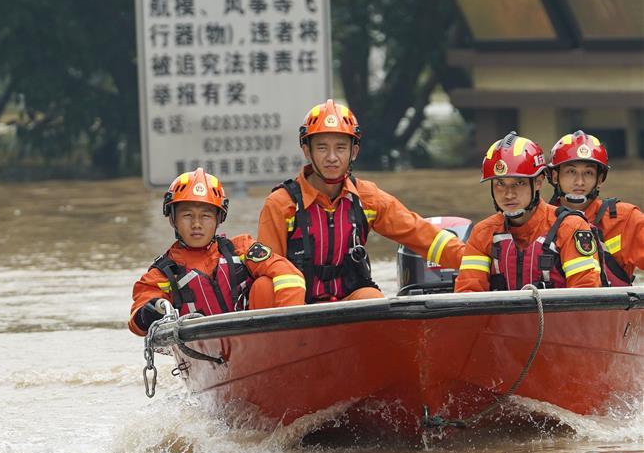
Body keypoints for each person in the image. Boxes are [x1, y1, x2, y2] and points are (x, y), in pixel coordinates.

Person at [258, 99, 464, 303]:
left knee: (372, 298)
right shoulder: (281, 204)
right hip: (296, 306)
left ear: (353, 152)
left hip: (349, 300)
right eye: (322, 148)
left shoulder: (367, 198)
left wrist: (474, 261)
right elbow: (266, 265)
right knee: (264, 287)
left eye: (340, 148)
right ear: (307, 150)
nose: (331, 157)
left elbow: (420, 233)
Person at [128, 167, 306, 336]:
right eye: (187, 215)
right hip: (199, 351)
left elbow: (289, 274)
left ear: (218, 218)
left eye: (205, 215)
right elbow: (137, 321)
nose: (196, 224)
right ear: (173, 219)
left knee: (265, 286)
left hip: (255, 343)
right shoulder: (163, 273)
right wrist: (151, 310)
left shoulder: (241, 249)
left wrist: (289, 328)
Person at [456, 132, 604, 292]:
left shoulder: (570, 228)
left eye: (519, 183)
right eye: (500, 183)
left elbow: (586, 298)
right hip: (501, 318)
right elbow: (467, 297)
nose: (508, 194)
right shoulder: (483, 233)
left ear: (538, 182)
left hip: (557, 318)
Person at [547, 130, 643, 285]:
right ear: (555, 176)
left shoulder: (626, 218)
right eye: (571, 172)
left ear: (600, 179)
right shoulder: (540, 220)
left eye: (588, 173)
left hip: (613, 309)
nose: (579, 182)